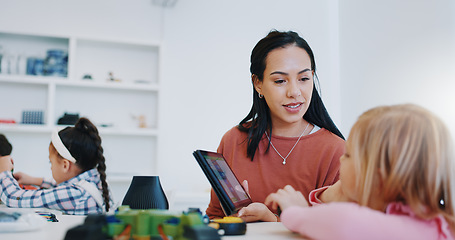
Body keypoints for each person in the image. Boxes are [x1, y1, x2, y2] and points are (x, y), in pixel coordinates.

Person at [205, 30, 345, 222]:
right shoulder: (234, 141)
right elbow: (213, 218)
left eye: (304, 79)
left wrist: (271, 220)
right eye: (280, 81)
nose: (295, 92)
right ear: (258, 83)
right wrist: (233, 218)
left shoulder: (336, 151)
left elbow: (341, 230)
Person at [265, 104, 455, 239]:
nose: (341, 158)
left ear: (377, 178)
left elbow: (343, 221)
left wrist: (295, 212)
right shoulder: (431, 221)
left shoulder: (390, 229)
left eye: (348, 155)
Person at [0, 117, 112, 215]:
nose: (51, 167)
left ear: (65, 165)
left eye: (51, 162)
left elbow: (14, 198)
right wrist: (33, 180)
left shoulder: (74, 195)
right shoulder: (94, 180)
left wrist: (4, 171)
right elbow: (65, 185)